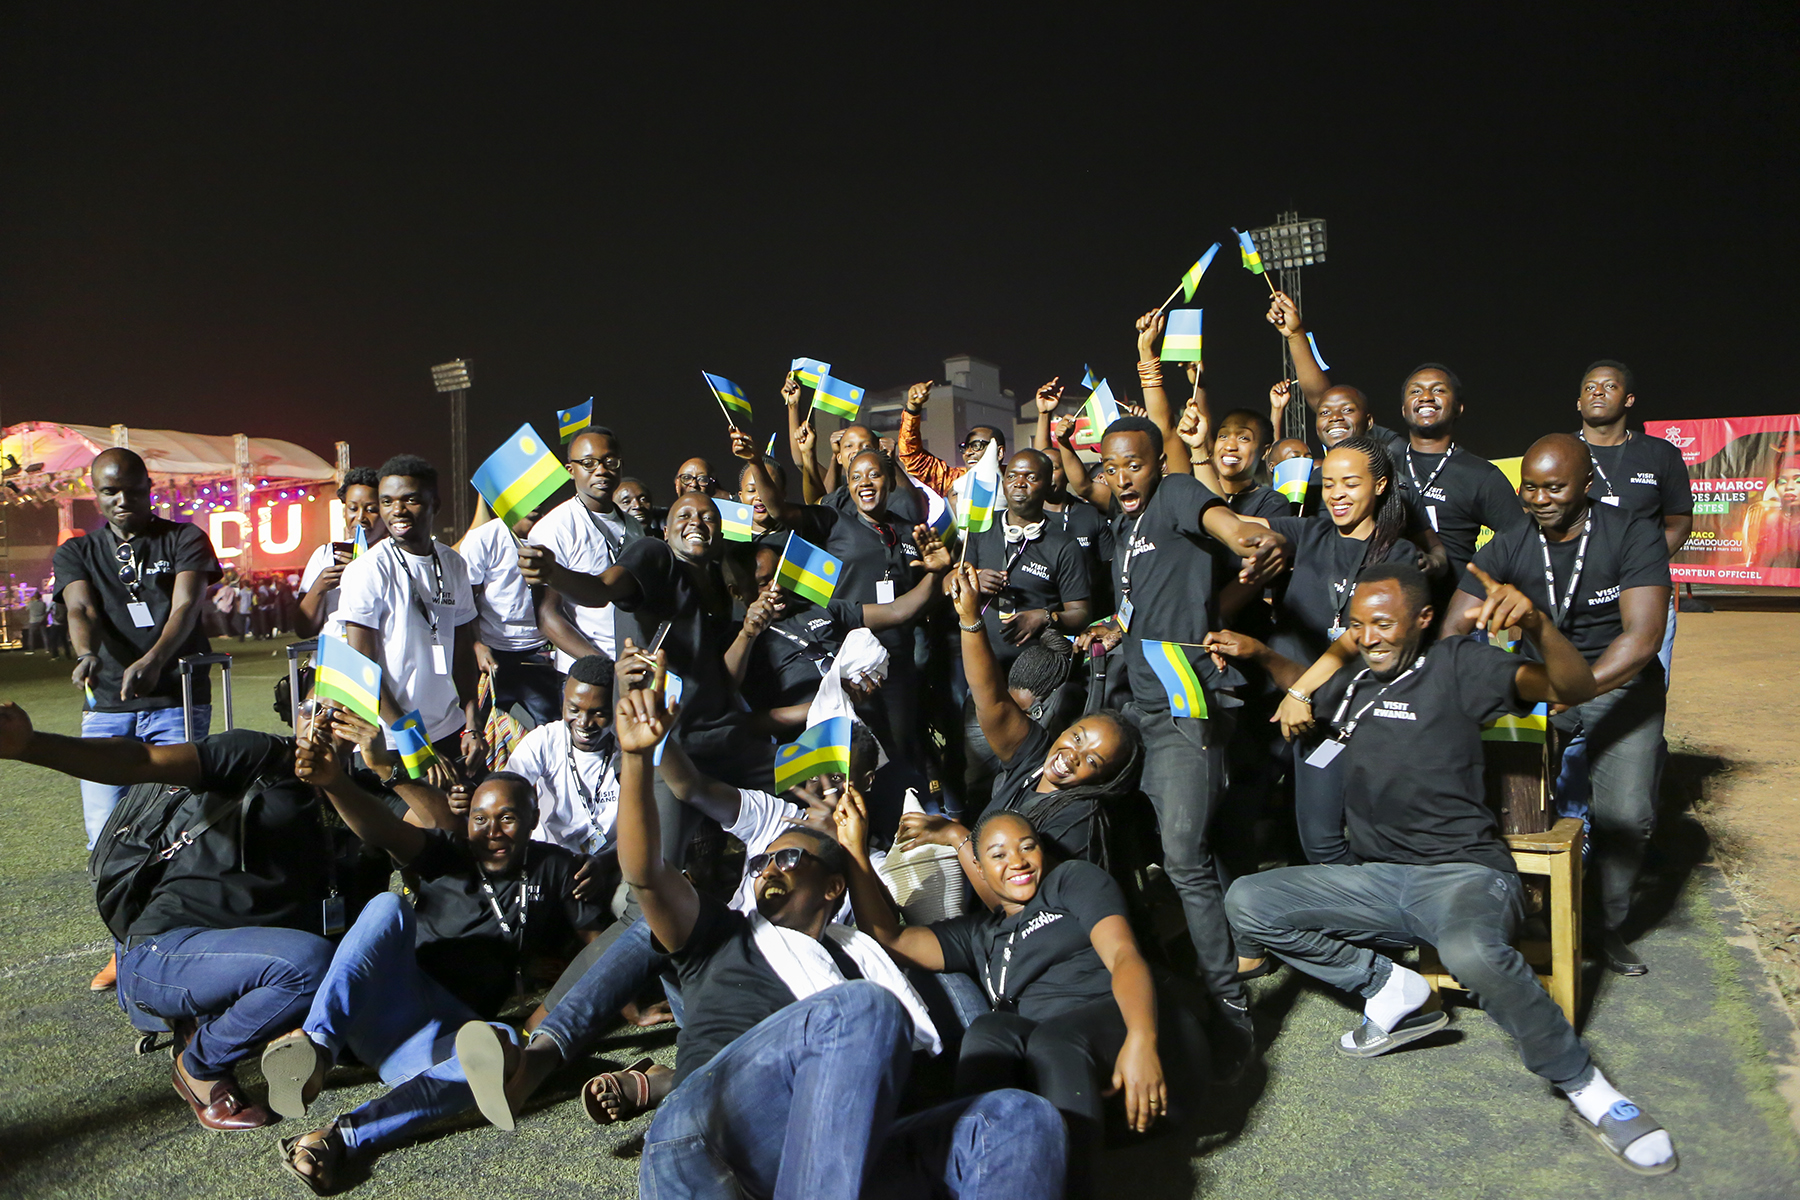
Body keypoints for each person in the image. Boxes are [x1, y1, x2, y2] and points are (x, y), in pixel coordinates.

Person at [1229, 562, 1677, 1177]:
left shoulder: (1460, 665)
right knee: (1249, 900)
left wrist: (1539, 627)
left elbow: (1571, 688)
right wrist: (1260, 654)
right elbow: (1306, 688)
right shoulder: (1358, 680)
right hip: (1380, 878)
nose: (1369, 637)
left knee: (1470, 950)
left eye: (1383, 623)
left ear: (1422, 618)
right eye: (1358, 626)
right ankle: (1390, 987)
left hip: (1464, 874)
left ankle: (1586, 1086)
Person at [579, 664, 1069, 1200]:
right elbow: (646, 874)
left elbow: (893, 935)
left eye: (787, 859)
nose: (767, 869)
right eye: (761, 863)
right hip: (710, 1136)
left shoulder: (862, 958)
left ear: (834, 887)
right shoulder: (722, 936)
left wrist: (858, 852)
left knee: (1020, 1116)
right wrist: (636, 757)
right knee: (863, 1009)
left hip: (828, 1155)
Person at [0, 696, 413, 1130]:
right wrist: (31, 745)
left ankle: (217, 1021)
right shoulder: (260, 755)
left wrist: (388, 768)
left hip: (260, 966)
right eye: (311, 707)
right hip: (169, 949)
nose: (323, 721)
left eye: (340, 711)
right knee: (309, 968)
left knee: (366, 999)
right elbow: (140, 760)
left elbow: (435, 835)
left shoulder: (368, 794)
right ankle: (199, 1063)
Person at [270, 718, 606, 1188]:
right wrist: (336, 783)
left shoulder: (558, 868)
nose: (492, 831)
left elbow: (595, 945)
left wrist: (608, 998)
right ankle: (316, 1050)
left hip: (438, 1040)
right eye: (480, 819)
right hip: (389, 1003)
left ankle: (339, 1138)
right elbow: (384, 829)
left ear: (532, 819)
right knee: (388, 906)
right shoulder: (450, 852)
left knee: (502, 1044)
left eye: (508, 818)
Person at [839, 795, 1163, 1200]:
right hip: (1058, 1069)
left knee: (1053, 1039)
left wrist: (1142, 1038)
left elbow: (1123, 955)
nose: (1018, 861)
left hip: (1119, 1032)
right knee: (989, 1029)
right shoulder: (980, 935)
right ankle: (986, 1174)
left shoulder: (1071, 882)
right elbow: (892, 939)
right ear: (979, 868)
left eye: (1028, 846)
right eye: (999, 855)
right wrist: (854, 851)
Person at [1443, 434, 1672, 975]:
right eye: (1530, 488)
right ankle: (1529, 916)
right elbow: (1454, 629)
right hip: (1543, 686)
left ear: (1587, 484)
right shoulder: (1510, 543)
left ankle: (1601, 926)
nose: (1540, 499)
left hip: (1620, 686)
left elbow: (1642, 638)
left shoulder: (1632, 533)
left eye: (1554, 488)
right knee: (1510, 805)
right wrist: (1485, 673)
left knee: (1626, 816)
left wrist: (1578, 689)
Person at [1218, 436, 1420, 868]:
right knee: (1232, 821)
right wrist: (1199, 460)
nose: (1336, 495)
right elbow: (1232, 520)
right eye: (1328, 484)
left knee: (1320, 843)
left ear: (1380, 485)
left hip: (1334, 714)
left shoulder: (1400, 556)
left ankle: (1368, 908)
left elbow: (1362, 641)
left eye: (1350, 483)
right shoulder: (1309, 531)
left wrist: (1303, 691)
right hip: (1276, 704)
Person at [898, 563, 1143, 871]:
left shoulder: (1077, 823)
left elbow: (1012, 891)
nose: (1072, 756)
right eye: (1077, 738)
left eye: (1092, 761)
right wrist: (970, 619)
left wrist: (955, 835)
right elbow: (992, 699)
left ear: (1103, 781)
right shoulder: (1036, 760)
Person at [54, 448, 222, 856]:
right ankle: (117, 891)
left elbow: (186, 606)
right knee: (104, 832)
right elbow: (81, 608)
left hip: (175, 702)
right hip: (107, 707)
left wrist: (154, 659)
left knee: (177, 825)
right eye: (110, 491)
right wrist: (85, 654)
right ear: (95, 492)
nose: (122, 500)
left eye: (132, 490)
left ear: (150, 487)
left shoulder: (185, 538)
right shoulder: (76, 551)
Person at [336, 455, 484, 770]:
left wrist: (472, 723)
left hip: (449, 727)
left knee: (465, 802)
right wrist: (412, 740)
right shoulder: (368, 570)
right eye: (387, 501)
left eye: (410, 500)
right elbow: (361, 668)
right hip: (391, 738)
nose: (397, 510)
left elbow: (462, 654)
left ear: (434, 504)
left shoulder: (453, 564)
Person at [1392, 364, 1528, 604]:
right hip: (1392, 609)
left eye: (1438, 390)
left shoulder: (1481, 475)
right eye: (1416, 391)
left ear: (1458, 408)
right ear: (1404, 409)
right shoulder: (1383, 464)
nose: (1426, 397)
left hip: (1456, 611)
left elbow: (1523, 545)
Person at [529, 427, 644, 667]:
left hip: (635, 661)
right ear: (571, 470)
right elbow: (547, 616)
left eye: (609, 461)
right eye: (588, 463)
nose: (601, 470)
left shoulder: (633, 526)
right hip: (587, 670)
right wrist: (603, 665)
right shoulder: (554, 527)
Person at [504, 654, 622, 861]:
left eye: (598, 714)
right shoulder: (544, 741)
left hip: (613, 858)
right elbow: (506, 790)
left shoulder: (627, 748)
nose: (583, 722)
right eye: (574, 710)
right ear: (562, 702)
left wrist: (608, 862)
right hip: (550, 857)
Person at [463, 499, 563, 729]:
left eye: (538, 495)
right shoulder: (484, 538)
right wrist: (477, 645)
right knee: (485, 729)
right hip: (491, 654)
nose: (533, 502)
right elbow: (466, 604)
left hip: (539, 651)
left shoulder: (554, 534)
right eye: (525, 496)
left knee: (547, 729)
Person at [296, 467, 386, 639]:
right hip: (334, 653)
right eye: (353, 508)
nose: (360, 517)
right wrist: (319, 587)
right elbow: (303, 630)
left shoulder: (397, 556)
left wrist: (364, 573)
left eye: (372, 509)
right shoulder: (327, 554)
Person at [899, 379, 1006, 502]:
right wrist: (912, 409)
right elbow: (913, 459)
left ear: (999, 452)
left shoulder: (1016, 481)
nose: (967, 453)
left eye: (977, 446)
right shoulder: (957, 480)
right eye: (965, 447)